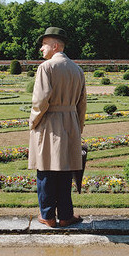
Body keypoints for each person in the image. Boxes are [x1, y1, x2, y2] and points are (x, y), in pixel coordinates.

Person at [29, 27, 87, 228]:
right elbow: (82, 104)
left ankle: (48, 216)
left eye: (44, 44)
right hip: (70, 121)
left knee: (45, 169)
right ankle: (65, 215)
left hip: (49, 121)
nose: (41, 49)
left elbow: (40, 101)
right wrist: (77, 127)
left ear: (55, 46)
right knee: (65, 171)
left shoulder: (46, 68)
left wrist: (33, 122)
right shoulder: (77, 70)